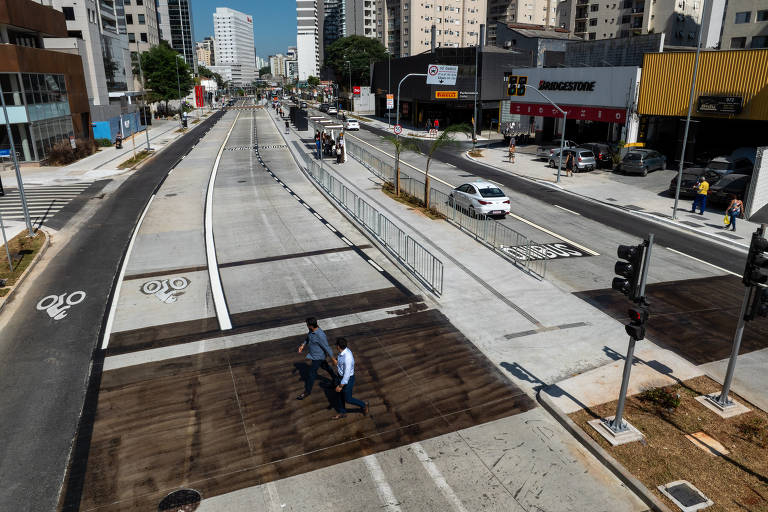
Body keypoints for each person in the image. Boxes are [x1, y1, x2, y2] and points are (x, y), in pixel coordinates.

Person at [296, 317, 335, 400]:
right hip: (314, 355)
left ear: (311, 326)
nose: (306, 326)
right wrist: (303, 345)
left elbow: (327, 347)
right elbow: (308, 338)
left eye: (307, 324)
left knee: (311, 373)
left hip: (318, 357)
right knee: (326, 367)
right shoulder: (312, 331)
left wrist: (333, 359)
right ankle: (336, 379)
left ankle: (307, 391)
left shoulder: (320, 335)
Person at [332, 337, 368, 419]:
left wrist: (340, 386)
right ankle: (342, 412)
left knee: (348, 399)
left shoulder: (347, 358)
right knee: (340, 396)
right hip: (340, 377)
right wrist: (337, 361)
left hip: (347, 380)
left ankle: (364, 404)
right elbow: (341, 363)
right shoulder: (344, 351)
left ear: (338, 346)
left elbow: (346, 375)